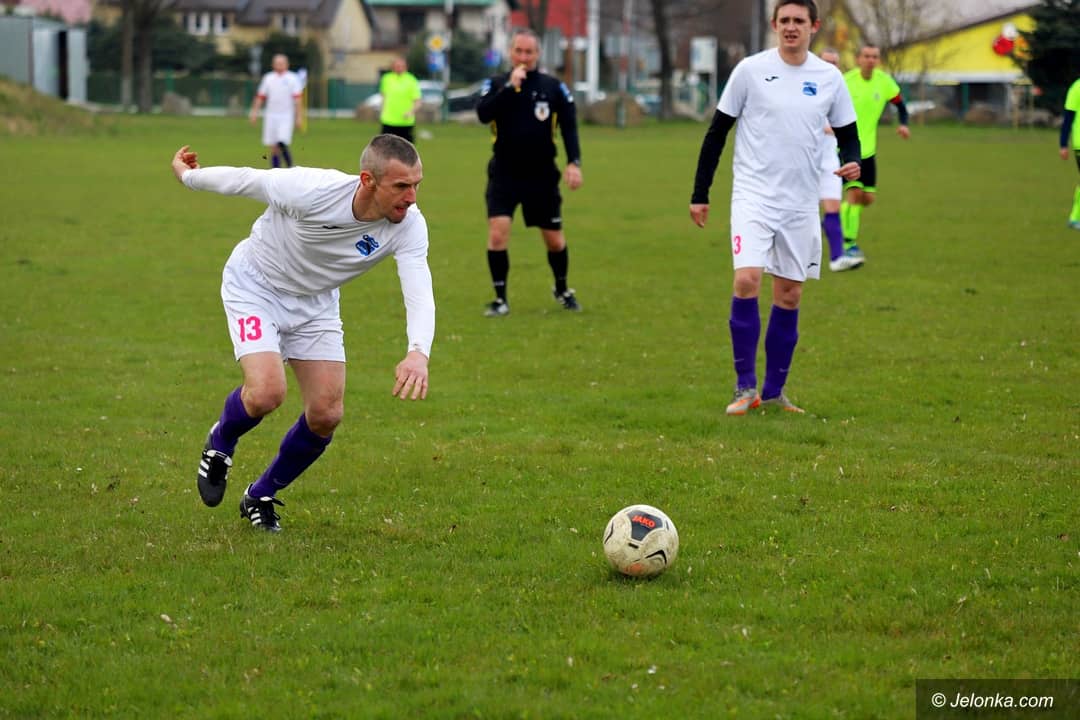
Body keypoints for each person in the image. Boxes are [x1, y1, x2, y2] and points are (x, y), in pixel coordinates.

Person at [171, 134, 435, 532]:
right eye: (401, 186)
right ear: (367, 180)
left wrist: (418, 352)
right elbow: (247, 180)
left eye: (416, 185)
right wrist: (189, 177)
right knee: (266, 393)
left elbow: (419, 288)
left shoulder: (409, 226)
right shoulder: (312, 189)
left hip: (315, 304)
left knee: (327, 413)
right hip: (256, 286)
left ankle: (260, 494)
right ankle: (220, 442)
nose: (411, 197)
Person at [689, 0, 861, 416]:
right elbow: (717, 133)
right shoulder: (750, 70)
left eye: (799, 21)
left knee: (789, 293)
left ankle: (774, 392)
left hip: (800, 203)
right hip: (753, 197)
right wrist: (700, 192)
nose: (791, 27)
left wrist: (853, 161)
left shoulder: (828, 77)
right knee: (747, 280)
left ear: (813, 26)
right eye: (784, 20)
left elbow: (848, 133)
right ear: (774, 25)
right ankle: (744, 387)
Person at [476, 28, 584, 316]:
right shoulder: (496, 84)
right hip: (504, 173)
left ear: (538, 54)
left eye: (529, 52)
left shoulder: (553, 87)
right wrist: (509, 88)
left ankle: (562, 289)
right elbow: (483, 113)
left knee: (554, 239)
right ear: (510, 53)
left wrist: (574, 162)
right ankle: (500, 299)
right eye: (518, 51)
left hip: (542, 175)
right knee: (497, 234)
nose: (523, 57)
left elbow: (570, 126)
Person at [836, 44, 911, 270]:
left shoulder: (884, 82)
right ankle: (849, 244)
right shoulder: (846, 81)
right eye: (866, 56)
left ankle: (837, 218)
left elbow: (901, 105)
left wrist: (904, 124)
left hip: (869, 151)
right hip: (846, 149)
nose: (870, 60)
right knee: (854, 194)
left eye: (875, 57)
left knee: (867, 199)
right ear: (858, 59)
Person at [249, 54, 304, 168]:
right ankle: (275, 171)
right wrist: (254, 113)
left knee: (282, 142)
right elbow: (260, 97)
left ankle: (290, 167)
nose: (279, 66)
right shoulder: (268, 78)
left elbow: (298, 99)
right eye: (277, 63)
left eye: (281, 63)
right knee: (273, 147)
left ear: (287, 64)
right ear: (273, 65)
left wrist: (299, 117)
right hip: (271, 116)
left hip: (286, 116)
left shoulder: (292, 78)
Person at [818, 49, 846, 268]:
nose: (831, 66)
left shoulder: (842, 93)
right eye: (826, 61)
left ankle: (837, 258)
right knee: (797, 213)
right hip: (803, 162)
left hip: (830, 162)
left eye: (834, 62)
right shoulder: (804, 88)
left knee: (833, 208)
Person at [379, 56, 423, 143]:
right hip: (388, 120)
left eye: (401, 66)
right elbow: (383, 97)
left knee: (406, 148)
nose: (399, 68)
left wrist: (411, 112)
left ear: (406, 67)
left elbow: (418, 101)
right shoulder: (386, 79)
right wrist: (382, 110)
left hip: (405, 122)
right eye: (397, 66)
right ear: (393, 67)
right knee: (385, 147)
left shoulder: (411, 80)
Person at [1060, 76, 1080, 230]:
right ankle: (1074, 218)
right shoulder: (1077, 88)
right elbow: (1068, 118)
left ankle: (1074, 218)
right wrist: (1063, 144)